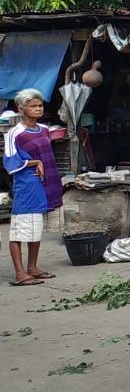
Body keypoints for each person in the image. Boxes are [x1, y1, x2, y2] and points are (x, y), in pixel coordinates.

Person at [4, 89, 63, 286]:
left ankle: (33, 268)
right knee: (19, 230)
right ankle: (20, 274)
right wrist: (33, 162)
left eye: (40, 105)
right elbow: (10, 160)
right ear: (21, 109)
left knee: (36, 228)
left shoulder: (45, 130)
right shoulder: (15, 133)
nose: (38, 109)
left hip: (43, 185)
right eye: (33, 106)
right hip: (26, 184)